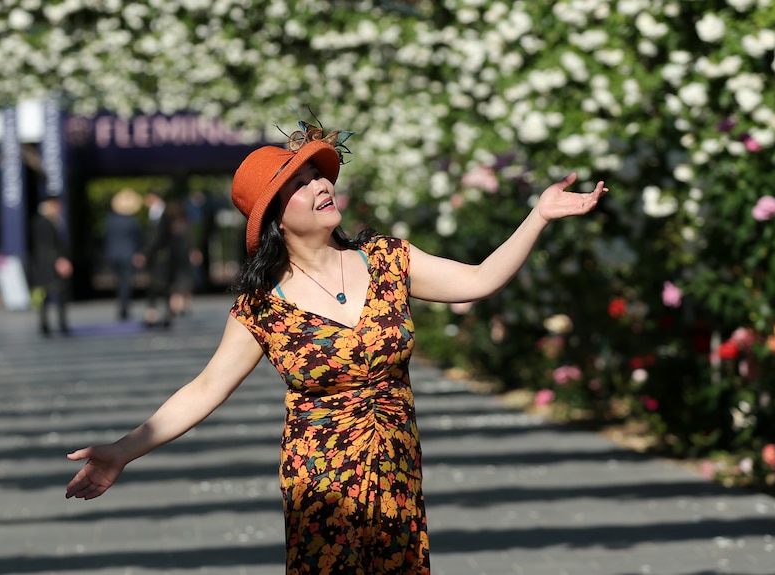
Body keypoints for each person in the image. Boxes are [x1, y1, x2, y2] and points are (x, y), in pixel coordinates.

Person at [65, 124, 608, 573]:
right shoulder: (262, 307)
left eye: (318, 174)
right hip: (321, 482)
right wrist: (122, 450)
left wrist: (538, 215)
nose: (321, 185)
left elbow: (480, 279)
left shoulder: (388, 259)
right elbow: (205, 388)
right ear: (276, 216)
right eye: (300, 183)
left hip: (396, 465)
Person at [31, 195, 72, 336]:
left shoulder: (49, 220)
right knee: (53, 294)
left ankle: (49, 325)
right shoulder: (45, 222)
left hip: (45, 263)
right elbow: (48, 245)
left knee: (48, 295)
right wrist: (59, 260)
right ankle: (54, 324)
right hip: (49, 264)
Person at [135, 190, 173, 327]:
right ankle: (154, 314)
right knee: (153, 285)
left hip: (161, 256)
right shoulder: (154, 213)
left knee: (162, 285)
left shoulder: (164, 213)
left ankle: (165, 314)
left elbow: (158, 236)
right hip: (154, 256)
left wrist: (146, 252)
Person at [104, 188, 143, 321]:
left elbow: (107, 238)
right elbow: (138, 240)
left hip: (114, 255)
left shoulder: (110, 220)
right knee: (125, 283)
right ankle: (124, 308)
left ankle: (121, 305)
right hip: (128, 255)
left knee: (119, 282)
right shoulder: (133, 221)